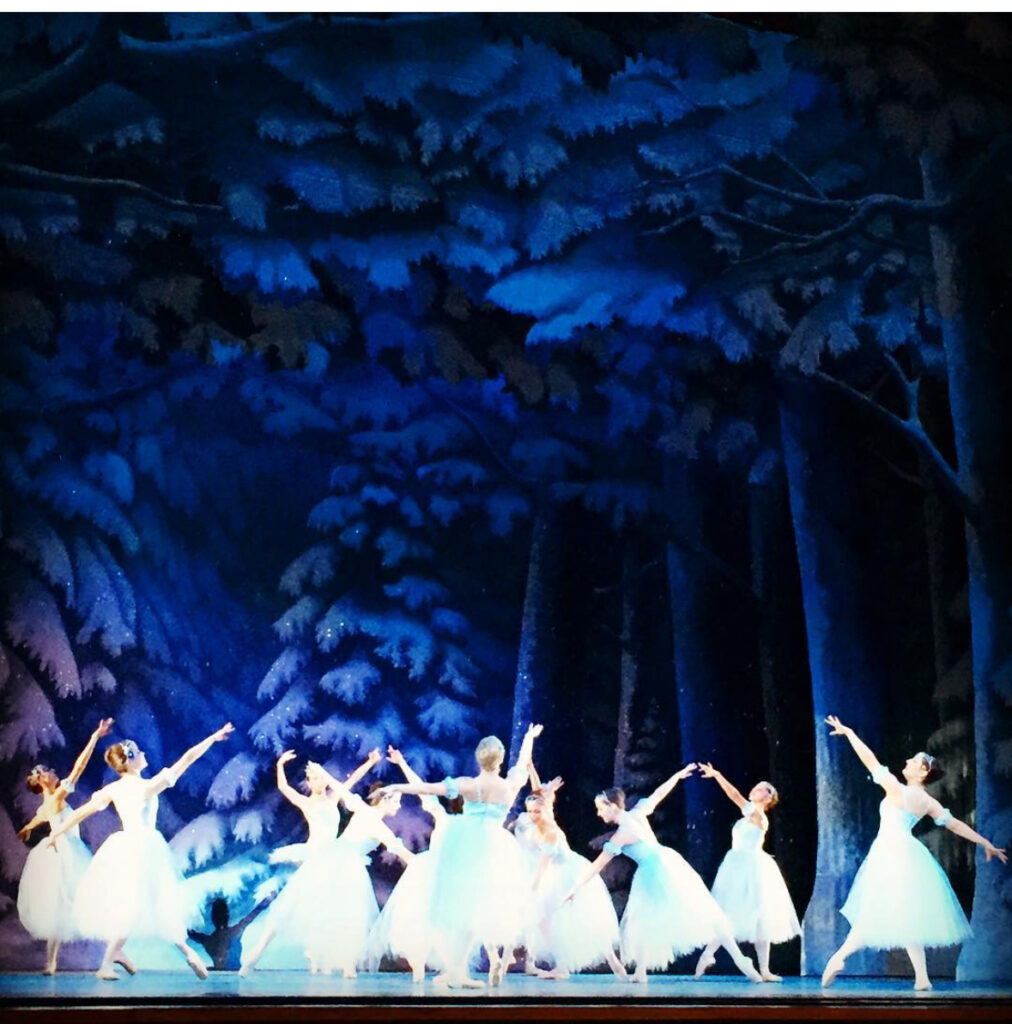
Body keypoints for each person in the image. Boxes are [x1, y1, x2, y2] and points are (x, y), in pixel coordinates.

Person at [821, 714, 1006, 990]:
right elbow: (954, 825)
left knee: (873, 911)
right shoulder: (926, 801)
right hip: (907, 854)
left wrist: (849, 733)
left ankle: (839, 957)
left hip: (889, 853)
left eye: (914, 760)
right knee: (908, 914)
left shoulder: (897, 790)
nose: (907, 761)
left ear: (922, 771)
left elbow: (869, 760)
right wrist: (985, 843)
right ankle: (922, 977)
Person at [48, 722, 234, 980]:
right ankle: (179, 953)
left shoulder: (113, 789)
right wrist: (213, 737)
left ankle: (117, 956)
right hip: (143, 848)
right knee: (147, 902)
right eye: (139, 751)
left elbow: (80, 813)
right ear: (131, 759)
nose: (144, 753)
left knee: (137, 903)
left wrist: (56, 832)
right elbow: (186, 759)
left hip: (124, 847)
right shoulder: (147, 787)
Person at [374, 723, 543, 988]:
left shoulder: (469, 785)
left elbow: (428, 789)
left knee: (465, 910)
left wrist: (394, 786)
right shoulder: (510, 785)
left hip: (468, 846)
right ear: (499, 760)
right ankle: (459, 971)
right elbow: (522, 763)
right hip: (495, 847)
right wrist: (529, 739)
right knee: (477, 910)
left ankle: (457, 971)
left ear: (479, 759)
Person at [563, 766, 762, 984]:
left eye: (601, 808)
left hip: (656, 871)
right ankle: (641, 971)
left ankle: (741, 960)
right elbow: (658, 794)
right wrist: (677, 775)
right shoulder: (637, 813)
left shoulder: (623, 834)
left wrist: (575, 888)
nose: (599, 813)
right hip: (665, 862)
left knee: (689, 913)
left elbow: (598, 864)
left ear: (611, 806)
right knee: (650, 919)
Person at [239, 749, 412, 977]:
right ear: (309, 782)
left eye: (323, 777)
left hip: (337, 855)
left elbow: (350, 781)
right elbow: (284, 788)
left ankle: (337, 958)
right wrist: (280, 765)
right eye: (316, 779)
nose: (321, 782)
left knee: (338, 909)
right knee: (291, 906)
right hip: (322, 855)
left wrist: (370, 763)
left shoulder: (333, 799)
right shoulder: (306, 803)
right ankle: (255, 956)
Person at [16, 717, 114, 974]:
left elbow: (41, 817)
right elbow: (79, 767)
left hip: (55, 852)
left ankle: (51, 964)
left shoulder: (48, 803)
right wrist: (95, 736)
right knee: (80, 900)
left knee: (59, 906)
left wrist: (27, 828)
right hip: (66, 853)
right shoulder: (57, 796)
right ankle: (114, 952)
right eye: (46, 771)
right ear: (42, 781)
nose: (51, 771)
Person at [693, 763, 800, 982]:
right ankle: (707, 955)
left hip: (753, 868)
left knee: (761, 918)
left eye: (763, 789)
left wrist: (717, 774)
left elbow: (733, 795)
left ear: (768, 798)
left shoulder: (757, 815)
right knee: (727, 913)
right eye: (758, 786)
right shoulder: (748, 816)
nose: (757, 789)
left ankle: (764, 970)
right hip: (737, 865)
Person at [521, 779, 626, 981]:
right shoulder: (538, 824)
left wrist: (532, 889)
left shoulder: (549, 829)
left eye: (538, 811)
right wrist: (530, 765)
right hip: (556, 873)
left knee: (584, 917)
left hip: (568, 873)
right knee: (546, 921)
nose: (534, 815)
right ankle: (562, 965)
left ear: (546, 809)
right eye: (530, 811)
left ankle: (611, 959)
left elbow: (543, 865)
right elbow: (538, 793)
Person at [368, 744, 450, 982]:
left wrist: (403, 763)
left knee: (429, 920)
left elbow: (423, 791)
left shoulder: (445, 818)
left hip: (436, 873)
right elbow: (422, 791)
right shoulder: (446, 819)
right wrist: (402, 763)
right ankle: (421, 970)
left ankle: (436, 970)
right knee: (420, 920)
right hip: (430, 869)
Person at [187, 894, 275, 971]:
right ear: (227, 916)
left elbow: (187, 932)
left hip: (216, 977)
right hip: (236, 974)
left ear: (212, 918)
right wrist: (268, 899)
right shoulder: (235, 931)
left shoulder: (207, 940)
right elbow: (254, 913)